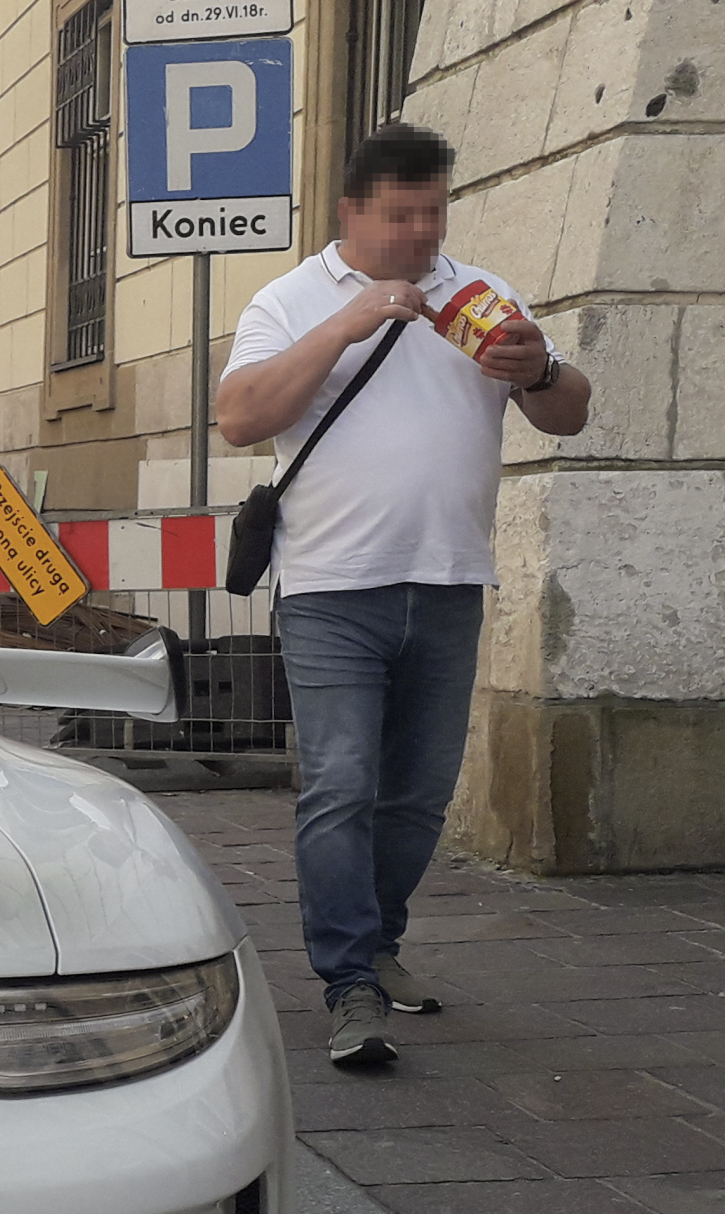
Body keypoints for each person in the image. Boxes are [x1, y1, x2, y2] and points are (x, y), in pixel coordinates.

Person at [218, 124, 591, 1069]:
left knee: (418, 796)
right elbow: (239, 418)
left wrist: (539, 368)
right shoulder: (289, 299)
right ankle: (347, 983)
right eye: (401, 215)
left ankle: (379, 944)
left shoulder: (483, 294)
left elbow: (571, 411)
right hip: (333, 588)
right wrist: (348, 325)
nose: (422, 231)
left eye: (434, 211)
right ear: (353, 211)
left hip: (451, 580)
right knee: (342, 783)